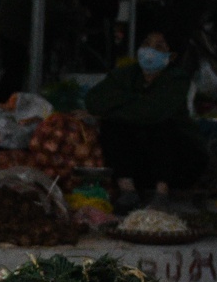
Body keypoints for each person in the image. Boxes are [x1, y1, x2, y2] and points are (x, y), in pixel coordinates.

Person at [86, 28, 208, 207]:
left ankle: (162, 193)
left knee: (161, 125)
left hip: (179, 163)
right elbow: (94, 101)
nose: (150, 50)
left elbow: (152, 112)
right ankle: (127, 190)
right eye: (146, 44)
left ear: (171, 56)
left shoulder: (176, 79)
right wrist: (136, 99)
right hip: (140, 163)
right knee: (112, 125)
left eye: (159, 46)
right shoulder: (126, 74)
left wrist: (115, 106)